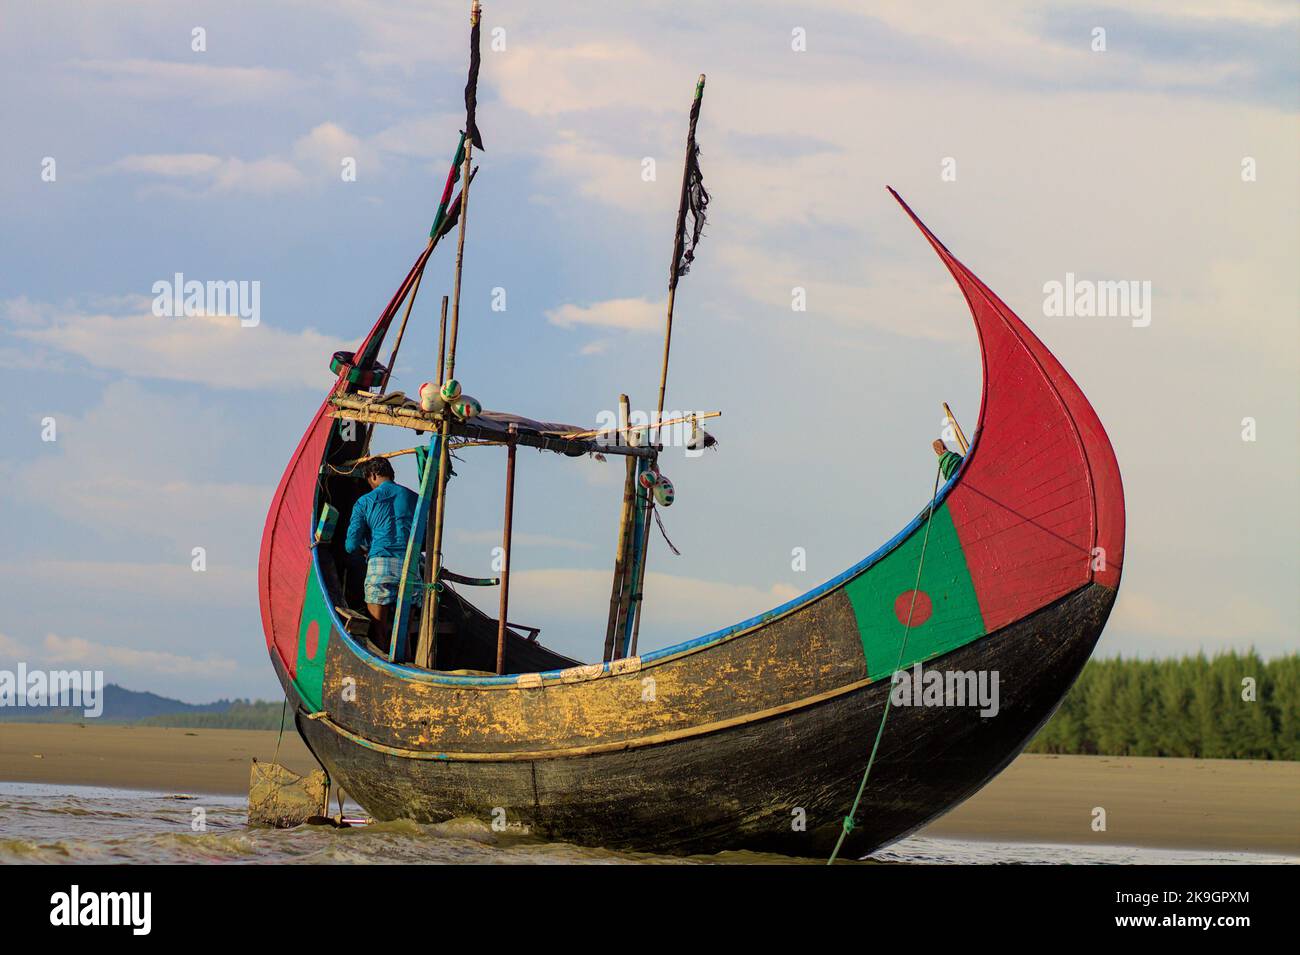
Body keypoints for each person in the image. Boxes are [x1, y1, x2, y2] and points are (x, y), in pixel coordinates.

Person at [345, 457, 423, 643]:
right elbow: (425, 535)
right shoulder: (415, 498)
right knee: (404, 638)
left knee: (378, 634)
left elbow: (350, 546)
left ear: (372, 476)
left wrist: (366, 547)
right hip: (410, 566)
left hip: (380, 567)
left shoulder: (365, 502)